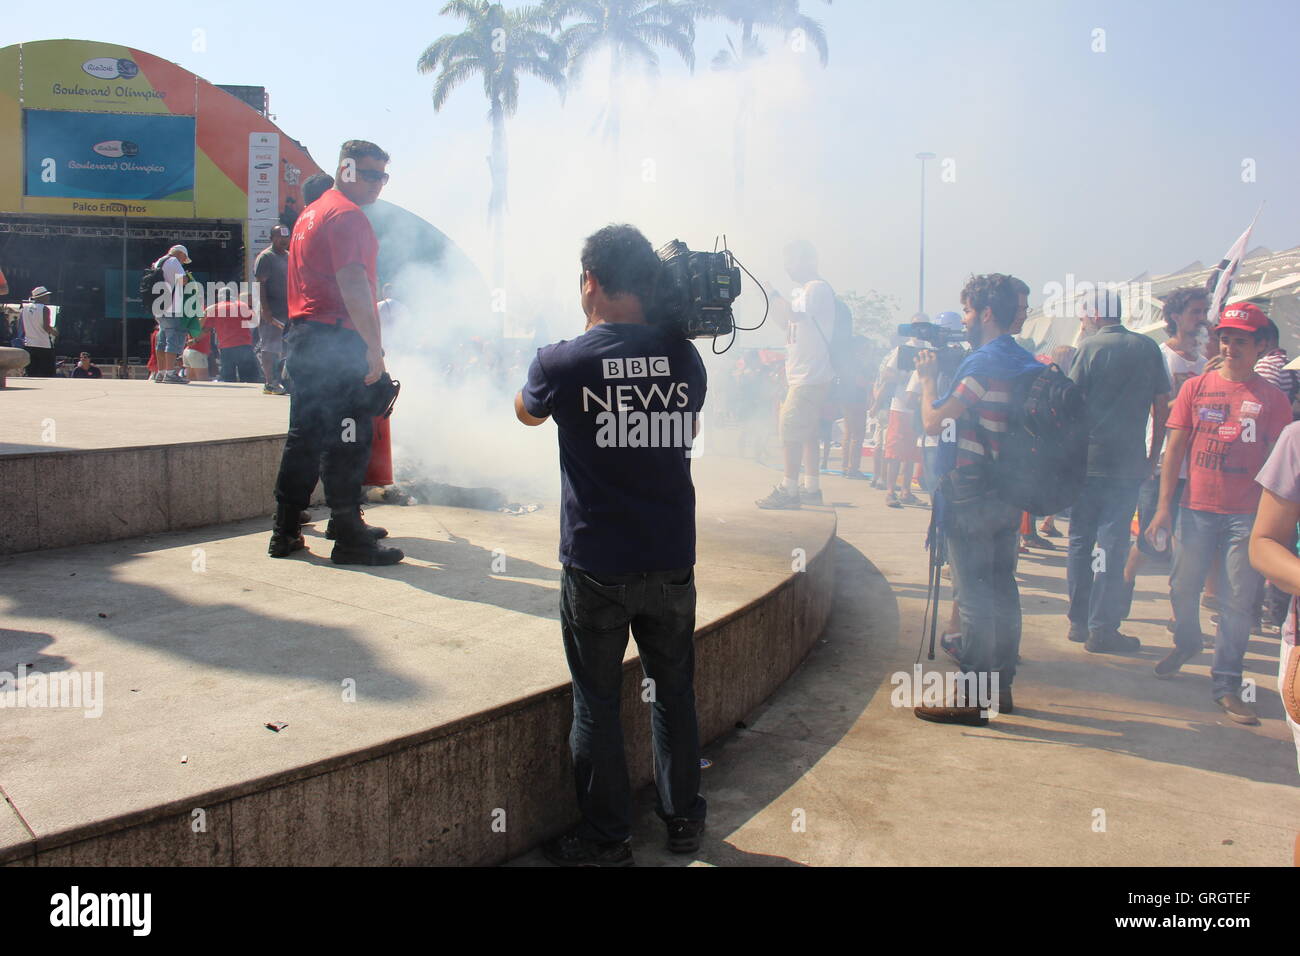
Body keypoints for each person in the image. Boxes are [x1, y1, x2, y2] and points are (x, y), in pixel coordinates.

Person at [515, 223, 708, 866]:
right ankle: (684, 821)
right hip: (672, 557)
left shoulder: (562, 361)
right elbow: (688, 416)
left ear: (591, 283)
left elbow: (527, 411)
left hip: (597, 563)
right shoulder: (685, 358)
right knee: (673, 691)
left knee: (597, 704)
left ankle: (607, 840)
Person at [1146, 302, 1291, 723]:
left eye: (1240, 340)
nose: (1229, 346)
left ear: (1260, 346)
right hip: (1195, 510)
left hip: (1246, 517)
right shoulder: (1196, 388)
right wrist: (1162, 509)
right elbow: (1174, 450)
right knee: (1181, 586)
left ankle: (1227, 682)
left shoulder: (1273, 400)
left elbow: (1281, 465)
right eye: (1225, 338)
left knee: (1237, 601)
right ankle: (1188, 639)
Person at [914, 274, 1041, 725]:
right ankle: (1000, 687)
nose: (965, 320)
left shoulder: (983, 364)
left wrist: (928, 381)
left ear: (986, 313)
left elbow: (935, 423)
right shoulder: (1026, 362)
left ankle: (971, 696)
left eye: (967, 311)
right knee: (1003, 588)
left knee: (971, 595)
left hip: (971, 494)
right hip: (1010, 493)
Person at [269, 140, 401, 566]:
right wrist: (372, 349)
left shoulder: (312, 212)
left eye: (382, 175)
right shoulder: (347, 215)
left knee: (306, 437)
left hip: (306, 338)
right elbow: (353, 283)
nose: (377, 183)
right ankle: (348, 535)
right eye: (368, 173)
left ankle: (287, 530)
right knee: (349, 437)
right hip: (337, 339)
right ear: (345, 169)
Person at [1064, 286, 1170, 653]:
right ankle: (1102, 629)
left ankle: (1078, 622)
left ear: (1093, 315)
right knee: (1112, 546)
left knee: (1080, 541)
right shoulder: (1147, 348)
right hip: (1127, 466)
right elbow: (1161, 407)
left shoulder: (1089, 349)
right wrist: (1152, 456)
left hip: (1087, 464)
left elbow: (1070, 402)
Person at [1120, 287, 1209, 616]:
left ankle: (1182, 616)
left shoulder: (1204, 361)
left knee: (1188, 544)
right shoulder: (1160, 356)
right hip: (1162, 459)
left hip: (1197, 462)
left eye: (1203, 312)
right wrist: (1192, 392)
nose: (1200, 319)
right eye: (1194, 312)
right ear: (1175, 316)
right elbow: (1157, 409)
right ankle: (1124, 581)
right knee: (1151, 537)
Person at [756, 240, 837, 510]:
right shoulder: (805, 291)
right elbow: (788, 324)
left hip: (808, 376)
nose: (788, 267)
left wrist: (773, 292)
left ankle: (788, 490)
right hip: (807, 374)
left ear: (807, 261)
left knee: (789, 429)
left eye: (791, 261)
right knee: (807, 432)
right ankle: (811, 488)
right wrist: (770, 300)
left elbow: (793, 314)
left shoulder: (815, 288)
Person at [254, 225, 291, 394]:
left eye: (286, 237)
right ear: (271, 238)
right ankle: (270, 383)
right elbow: (260, 285)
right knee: (270, 347)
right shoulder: (266, 257)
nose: (283, 240)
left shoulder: (290, 257)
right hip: (271, 311)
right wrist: (265, 310)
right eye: (279, 237)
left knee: (288, 347)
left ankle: (285, 381)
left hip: (288, 311)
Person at [151, 244, 191, 384]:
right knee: (173, 340)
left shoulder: (159, 262)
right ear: (181, 254)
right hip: (172, 307)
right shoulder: (174, 261)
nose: (182, 262)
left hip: (159, 307)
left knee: (161, 341)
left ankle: (160, 373)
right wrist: (188, 278)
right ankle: (170, 374)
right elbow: (183, 280)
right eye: (184, 259)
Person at [202, 288, 260, 383]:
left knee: (228, 379)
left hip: (226, 348)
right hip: (244, 346)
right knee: (248, 378)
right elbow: (255, 321)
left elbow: (206, 328)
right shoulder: (242, 305)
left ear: (219, 297)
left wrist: (195, 339)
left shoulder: (215, 309)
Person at [19, 287, 56, 376]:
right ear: (41, 297)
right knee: (47, 372)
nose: (48, 298)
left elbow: (21, 327)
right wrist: (56, 333)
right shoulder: (44, 309)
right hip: (44, 345)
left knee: (31, 372)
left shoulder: (24, 309)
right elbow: (46, 327)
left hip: (29, 344)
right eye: (47, 296)